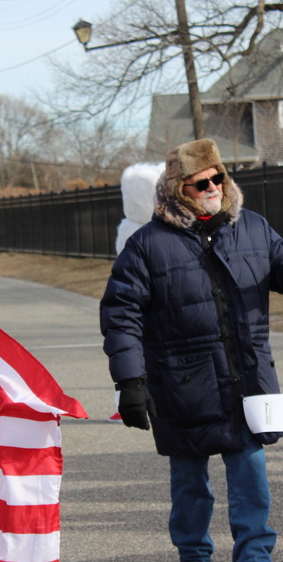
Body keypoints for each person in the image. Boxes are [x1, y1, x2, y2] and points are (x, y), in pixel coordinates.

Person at [99, 138, 283, 562]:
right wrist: (130, 380)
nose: (213, 187)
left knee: (250, 473)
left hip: (246, 377)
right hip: (181, 382)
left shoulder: (251, 226)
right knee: (189, 481)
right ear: (178, 189)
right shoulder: (147, 245)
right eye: (201, 182)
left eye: (219, 177)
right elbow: (121, 314)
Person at [109, 162, 165, 423]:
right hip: (153, 298)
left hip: (136, 297)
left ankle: (128, 400)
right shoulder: (152, 231)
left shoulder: (129, 229)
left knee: (130, 347)